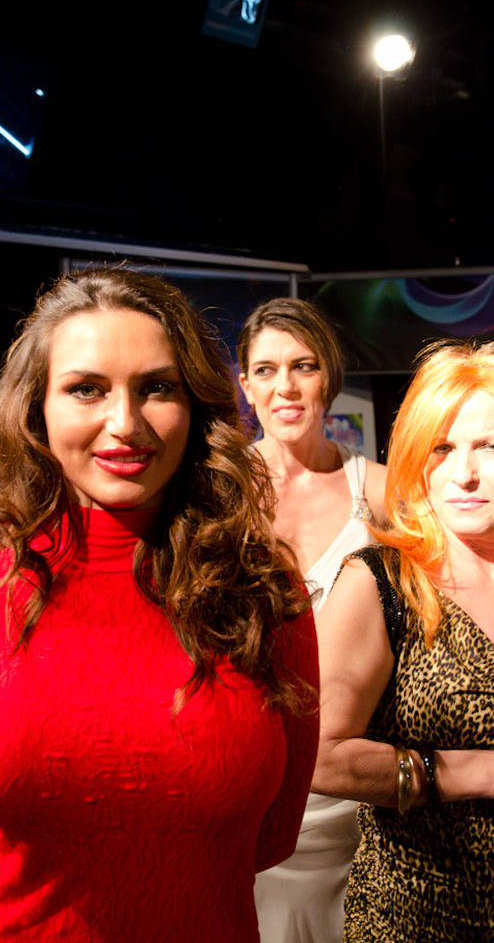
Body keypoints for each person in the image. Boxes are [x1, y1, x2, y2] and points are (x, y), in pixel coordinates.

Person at [0, 267, 319, 942]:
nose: (125, 424)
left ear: (195, 406)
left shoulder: (265, 595)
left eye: (156, 388)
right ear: (36, 409)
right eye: (86, 388)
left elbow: (273, 836)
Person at [313, 340, 494, 942]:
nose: (464, 473)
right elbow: (318, 754)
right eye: (442, 448)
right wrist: (466, 772)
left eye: (489, 446)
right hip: (419, 919)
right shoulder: (380, 582)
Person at [236, 297, 387, 943]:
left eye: (304, 366)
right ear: (245, 385)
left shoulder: (381, 492)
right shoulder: (216, 493)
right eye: (266, 370)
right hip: (242, 786)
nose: (286, 387)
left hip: (349, 800)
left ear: (330, 374)